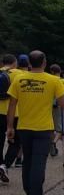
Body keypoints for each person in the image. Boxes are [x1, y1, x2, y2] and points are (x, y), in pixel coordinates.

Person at [6, 50, 64, 195]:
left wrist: (10, 127)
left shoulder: (19, 79)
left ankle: (29, 193)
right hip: (43, 128)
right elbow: (63, 104)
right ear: (44, 62)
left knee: (27, 161)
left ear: (29, 63)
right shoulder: (53, 80)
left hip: (23, 128)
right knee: (38, 163)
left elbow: (12, 105)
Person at [0, 54, 22, 184]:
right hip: (14, 113)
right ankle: (5, 165)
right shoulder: (20, 74)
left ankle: (0, 164)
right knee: (16, 142)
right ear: (15, 63)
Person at [49, 64, 64, 156]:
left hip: (49, 106)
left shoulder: (49, 80)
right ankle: (53, 143)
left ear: (52, 72)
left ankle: (51, 142)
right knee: (60, 128)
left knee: (51, 127)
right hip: (61, 107)